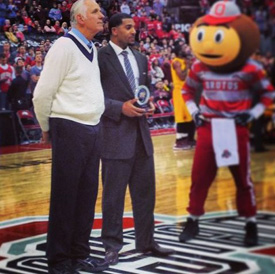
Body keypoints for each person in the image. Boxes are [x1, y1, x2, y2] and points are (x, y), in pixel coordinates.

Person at [179, 0, 275, 247]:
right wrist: (194, 111)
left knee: (243, 179)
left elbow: (268, 93)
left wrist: (252, 114)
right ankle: (192, 220)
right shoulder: (200, 64)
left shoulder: (250, 67)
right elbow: (187, 91)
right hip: (209, 126)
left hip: (236, 127)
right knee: (199, 177)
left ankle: (251, 223)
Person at [32, 0, 108, 273]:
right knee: (66, 197)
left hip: (92, 128)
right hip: (69, 127)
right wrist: (46, 126)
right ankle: (60, 261)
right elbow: (42, 94)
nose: (102, 15)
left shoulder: (92, 48)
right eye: (96, 12)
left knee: (87, 196)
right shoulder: (63, 46)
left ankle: (79, 254)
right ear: (80, 19)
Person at [98, 12, 174, 266]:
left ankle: (146, 241)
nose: (134, 31)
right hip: (114, 137)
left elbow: (143, 92)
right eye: (128, 27)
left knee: (145, 195)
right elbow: (91, 96)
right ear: (113, 30)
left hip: (142, 137)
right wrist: (119, 108)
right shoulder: (99, 57)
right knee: (113, 197)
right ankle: (111, 246)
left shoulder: (141, 58)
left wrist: (148, 103)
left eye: (135, 27)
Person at [171, 43, 195, 150]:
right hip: (179, 92)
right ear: (179, 51)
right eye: (184, 48)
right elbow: (181, 77)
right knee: (182, 117)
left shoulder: (185, 61)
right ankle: (180, 142)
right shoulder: (176, 62)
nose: (186, 49)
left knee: (191, 115)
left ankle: (190, 139)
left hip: (188, 91)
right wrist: (187, 66)